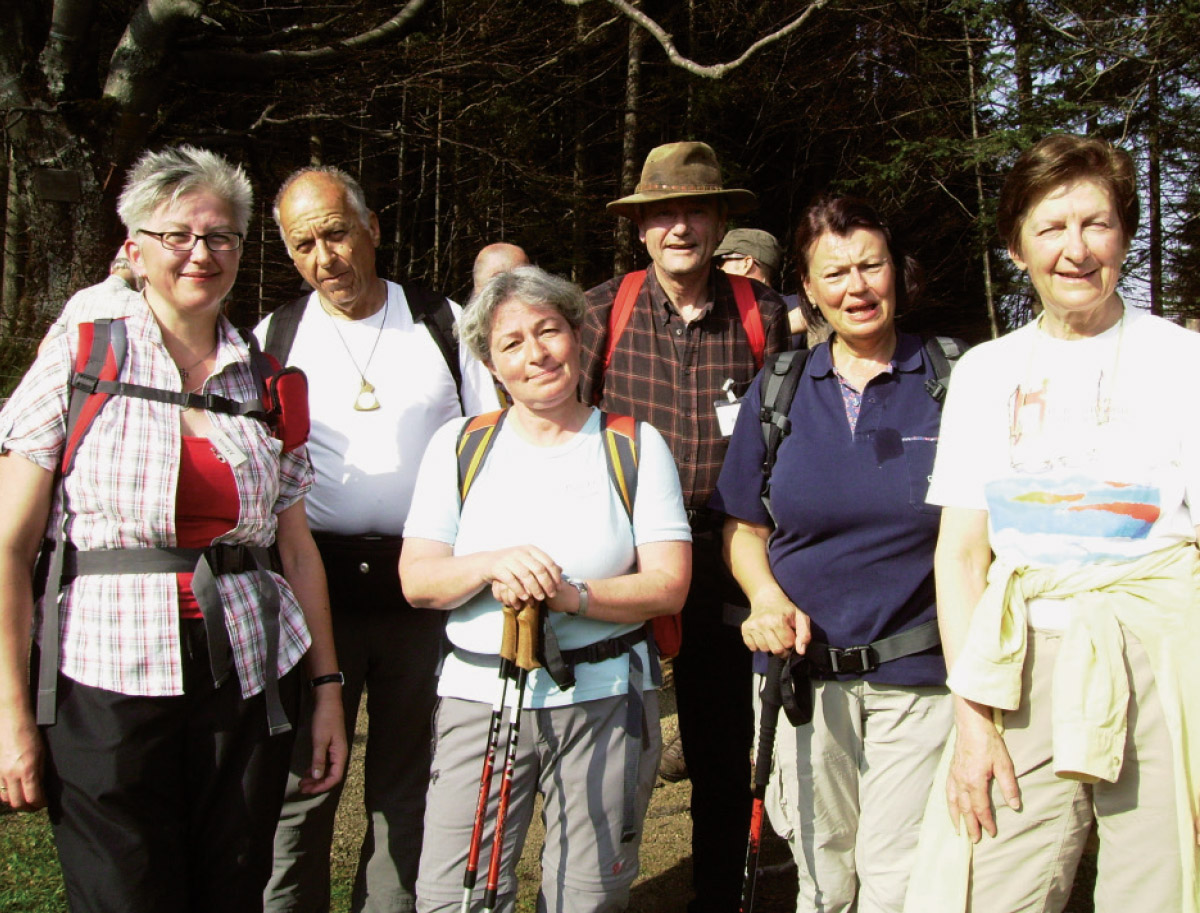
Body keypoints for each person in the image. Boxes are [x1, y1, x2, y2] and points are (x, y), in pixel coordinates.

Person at [0, 144, 346, 912]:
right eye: (177, 235)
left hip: (249, 680)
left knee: (233, 888)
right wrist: (8, 710)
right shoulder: (82, 356)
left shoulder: (265, 379)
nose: (201, 252)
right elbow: (9, 546)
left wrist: (327, 688)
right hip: (102, 677)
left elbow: (296, 550)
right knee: (125, 892)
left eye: (220, 236)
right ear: (135, 250)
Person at [906, 133, 1200, 913]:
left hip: (1163, 655)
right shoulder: (985, 373)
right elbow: (961, 556)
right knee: (985, 884)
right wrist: (973, 720)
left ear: (1124, 236)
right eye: (1052, 227)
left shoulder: (1183, 361)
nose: (1077, 249)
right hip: (1023, 659)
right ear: (1016, 247)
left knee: (1160, 892)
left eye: (1097, 223)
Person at [401, 265, 692, 912]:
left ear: (577, 335)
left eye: (549, 331)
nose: (536, 353)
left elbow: (669, 585)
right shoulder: (458, 445)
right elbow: (418, 580)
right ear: (490, 364)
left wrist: (571, 596)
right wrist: (491, 565)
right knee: (456, 896)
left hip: (606, 698)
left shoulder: (634, 444)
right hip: (479, 698)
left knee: (587, 895)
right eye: (512, 343)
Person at [259, 166, 498, 913]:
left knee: (408, 784)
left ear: (372, 228)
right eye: (304, 245)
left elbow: (491, 441)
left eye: (336, 234)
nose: (324, 258)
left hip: (423, 591)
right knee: (303, 783)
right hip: (311, 591)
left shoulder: (441, 321)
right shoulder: (275, 336)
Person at [710, 194, 952, 913]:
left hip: (923, 676)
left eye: (871, 266)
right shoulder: (779, 389)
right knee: (823, 878)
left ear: (897, 272)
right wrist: (764, 597)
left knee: (896, 879)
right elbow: (744, 525)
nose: (857, 287)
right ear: (808, 290)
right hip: (802, 680)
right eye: (835, 273)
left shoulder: (952, 379)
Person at [578, 140, 789, 913]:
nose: (679, 227)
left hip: (729, 550)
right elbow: (563, 425)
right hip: (624, 554)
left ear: (719, 222)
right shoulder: (601, 309)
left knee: (720, 744)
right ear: (640, 227)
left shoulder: (763, 314)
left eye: (695, 210)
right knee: (608, 735)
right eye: (662, 213)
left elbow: (791, 436)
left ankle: (717, 896)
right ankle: (593, 892)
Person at [38, 249, 143, 355]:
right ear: (139, 272)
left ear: (112, 269)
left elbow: (47, 344)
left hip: (73, 363)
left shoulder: (79, 296)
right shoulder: (138, 301)